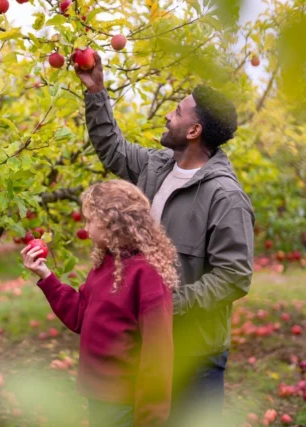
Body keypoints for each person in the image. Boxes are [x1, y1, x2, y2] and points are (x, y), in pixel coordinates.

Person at [74, 53, 255, 426]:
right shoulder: (156, 166)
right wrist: (95, 93)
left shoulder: (225, 197)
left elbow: (235, 275)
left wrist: (169, 304)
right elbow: (112, 147)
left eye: (178, 111)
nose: (168, 115)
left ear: (194, 131)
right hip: (144, 343)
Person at [22, 180, 178, 427]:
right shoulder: (107, 263)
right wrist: (46, 276)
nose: (85, 227)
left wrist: (150, 417)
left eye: (89, 221)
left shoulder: (147, 274)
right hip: (100, 395)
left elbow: (157, 353)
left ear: (112, 224)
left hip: (125, 401)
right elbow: (80, 316)